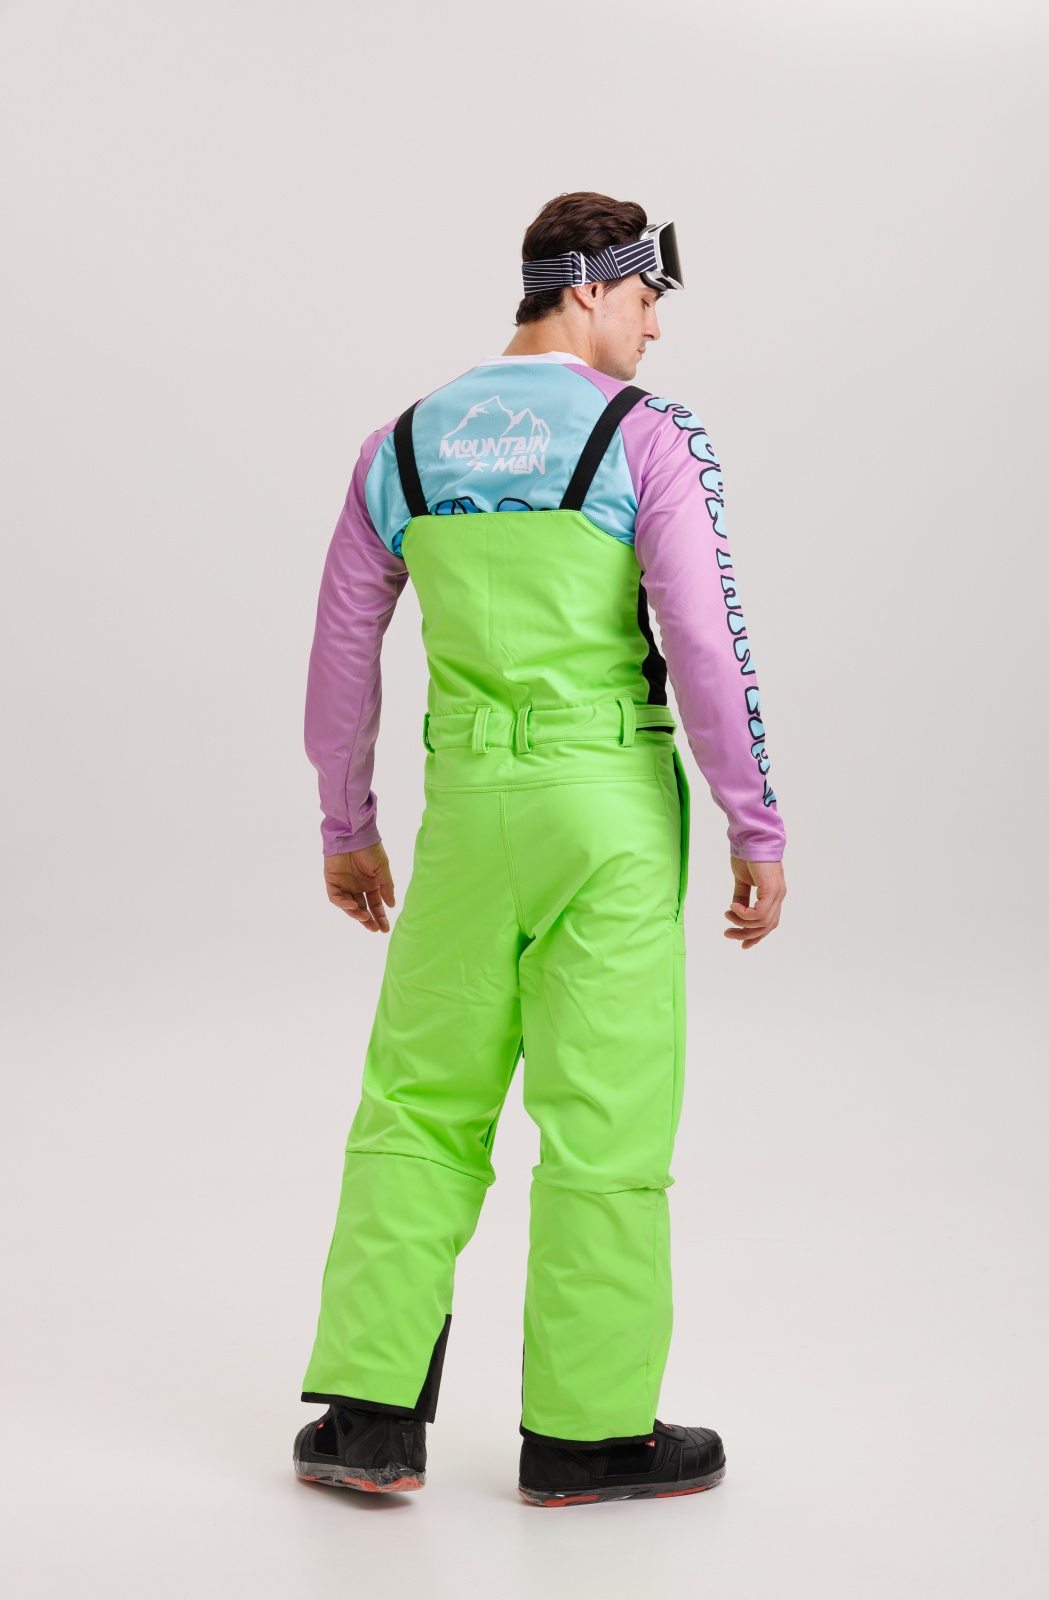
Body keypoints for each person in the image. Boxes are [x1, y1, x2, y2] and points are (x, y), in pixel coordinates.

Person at [292, 191, 787, 1507]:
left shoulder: (400, 444)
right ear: (588, 288)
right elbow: (703, 642)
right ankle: (585, 1435)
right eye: (646, 300)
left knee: (419, 1103)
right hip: (606, 811)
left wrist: (348, 826)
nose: (653, 330)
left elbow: (342, 655)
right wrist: (754, 821)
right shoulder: (647, 435)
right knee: (605, 1116)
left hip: (467, 815)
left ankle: (368, 1419)